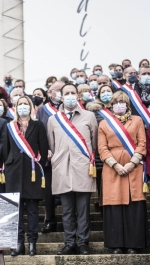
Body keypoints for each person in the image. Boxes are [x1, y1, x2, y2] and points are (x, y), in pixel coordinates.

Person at [47, 83, 98, 255]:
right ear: (61, 97)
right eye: (66, 93)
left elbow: (95, 142)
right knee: (67, 211)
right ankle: (69, 243)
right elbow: (52, 145)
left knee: (83, 209)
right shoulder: (53, 119)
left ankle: (83, 242)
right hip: (62, 168)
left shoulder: (89, 116)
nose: (69, 96)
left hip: (83, 167)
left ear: (78, 96)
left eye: (72, 93)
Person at [98, 92, 149, 254]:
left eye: (122, 102)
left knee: (134, 203)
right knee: (114, 204)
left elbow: (142, 144)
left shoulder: (137, 120)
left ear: (128, 105)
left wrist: (131, 163)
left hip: (133, 165)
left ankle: (134, 243)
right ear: (110, 105)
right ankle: (116, 244)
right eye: (116, 102)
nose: (119, 105)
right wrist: (115, 165)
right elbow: (102, 148)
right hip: (112, 167)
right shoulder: (104, 123)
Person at [3, 96, 49, 256]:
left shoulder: (38, 125)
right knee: (16, 210)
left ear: (30, 107)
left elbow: (43, 149)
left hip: (32, 174)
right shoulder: (10, 126)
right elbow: (5, 150)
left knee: (32, 210)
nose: (23, 106)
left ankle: (32, 243)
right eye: (20, 104)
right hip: (14, 173)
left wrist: (37, 167)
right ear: (16, 108)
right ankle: (19, 243)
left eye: (25, 104)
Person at [37, 80, 64, 234]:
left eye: (62, 89)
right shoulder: (42, 110)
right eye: (57, 90)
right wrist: (45, 149)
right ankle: (50, 220)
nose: (59, 93)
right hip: (49, 156)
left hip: (66, 155)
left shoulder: (69, 108)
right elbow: (41, 133)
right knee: (49, 192)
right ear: (50, 92)